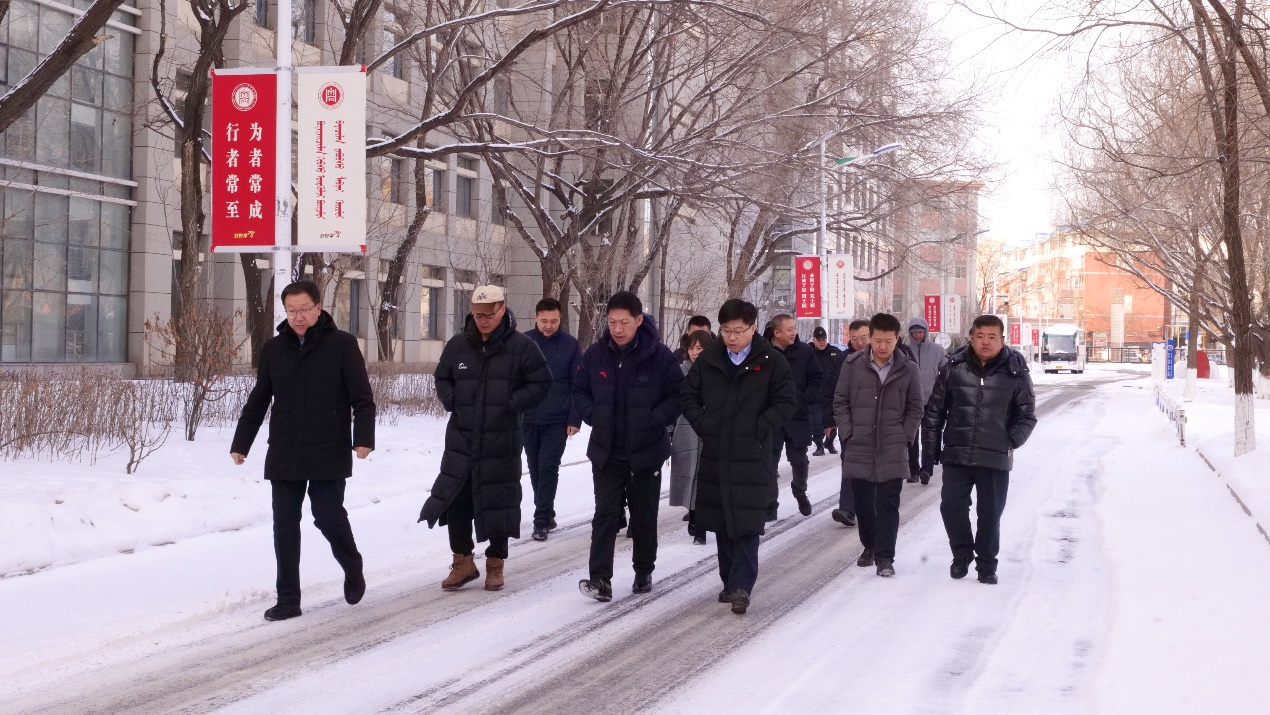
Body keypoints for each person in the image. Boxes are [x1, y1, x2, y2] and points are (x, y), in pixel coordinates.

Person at [231, 280, 376, 622]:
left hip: (328, 446)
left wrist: (363, 438)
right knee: (284, 524)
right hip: (285, 448)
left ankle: (352, 565)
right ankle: (288, 600)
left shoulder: (342, 345)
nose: (297, 317)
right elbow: (259, 399)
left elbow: (362, 398)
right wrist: (241, 443)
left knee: (327, 515)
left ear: (318, 308)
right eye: (291, 311)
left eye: (304, 310)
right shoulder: (274, 349)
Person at [420, 286, 551, 592]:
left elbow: (542, 382)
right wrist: (453, 400)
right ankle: (462, 562)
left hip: (500, 439)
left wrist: (511, 403)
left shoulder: (522, 347)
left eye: (489, 314)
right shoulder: (458, 345)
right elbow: (442, 377)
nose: (483, 320)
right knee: (456, 499)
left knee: (498, 500)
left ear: (502, 309)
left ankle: (495, 563)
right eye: (478, 315)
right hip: (461, 439)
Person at [683, 299, 796, 614]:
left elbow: (786, 402)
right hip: (717, 452)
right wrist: (704, 425)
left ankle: (742, 585)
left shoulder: (771, 361)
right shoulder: (710, 359)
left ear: (753, 328)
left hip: (752, 452)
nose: (731, 337)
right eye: (726, 330)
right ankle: (729, 582)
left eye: (738, 331)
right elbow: (688, 395)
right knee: (722, 522)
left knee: (747, 522)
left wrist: (760, 426)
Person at [574, 291, 684, 602]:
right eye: (612, 322)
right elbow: (579, 390)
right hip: (606, 452)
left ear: (638, 320)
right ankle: (600, 579)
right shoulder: (596, 355)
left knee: (643, 516)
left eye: (624, 322)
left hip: (646, 452)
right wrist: (593, 415)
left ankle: (643, 570)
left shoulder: (659, 357)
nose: (618, 329)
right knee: (605, 515)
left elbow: (677, 396)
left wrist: (654, 420)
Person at [923, 314, 1038, 585]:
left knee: (990, 514)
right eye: (980, 336)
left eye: (992, 337)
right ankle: (961, 555)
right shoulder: (953, 366)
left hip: (994, 457)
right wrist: (930, 453)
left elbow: (1027, 415)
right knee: (951, 508)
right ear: (971, 338)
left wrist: (1009, 440)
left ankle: (986, 565)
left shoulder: (1016, 370)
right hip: (957, 452)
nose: (985, 342)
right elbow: (934, 412)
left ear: (1002, 340)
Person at [832, 313, 924, 578]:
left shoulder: (909, 369)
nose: (883, 347)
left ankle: (885, 557)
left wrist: (905, 436)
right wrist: (847, 433)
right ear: (870, 338)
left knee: (888, 504)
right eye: (878, 341)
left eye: (889, 341)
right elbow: (840, 401)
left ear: (897, 339)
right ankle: (870, 545)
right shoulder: (852, 365)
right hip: (859, 443)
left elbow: (915, 407)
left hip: (893, 444)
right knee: (863, 505)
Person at [523, 297, 583, 541]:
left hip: (558, 417)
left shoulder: (570, 345)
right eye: (544, 321)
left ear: (560, 319)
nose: (549, 325)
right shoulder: (524, 342)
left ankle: (540, 521)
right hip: (528, 416)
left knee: (548, 466)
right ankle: (547, 513)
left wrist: (575, 418)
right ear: (536, 318)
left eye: (554, 321)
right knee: (534, 467)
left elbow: (578, 384)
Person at [763, 314, 822, 518]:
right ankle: (770, 504)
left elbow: (817, 378)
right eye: (789, 330)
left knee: (799, 460)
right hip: (772, 417)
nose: (794, 333)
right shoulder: (764, 353)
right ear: (776, 333)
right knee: (768, 463)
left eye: (794, 328)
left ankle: (800, 492)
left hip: (798, 416)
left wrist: (805, 398)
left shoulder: (805, 351)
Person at [824, 318, 871, 528]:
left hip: (878, 421)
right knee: (850, 461)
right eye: (855, 338)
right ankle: (847, 509)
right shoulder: (844, 360)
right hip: (850, 421)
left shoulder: (884, 358)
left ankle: (871, 506)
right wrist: (829, 420)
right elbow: (832, 390)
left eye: (864, 338)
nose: (860, 342)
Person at [669, 330, 713, 546]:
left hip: (709, 431)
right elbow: (670, 403)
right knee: (690, 477)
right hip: (685, 431)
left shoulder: (716, 371)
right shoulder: (679, 372)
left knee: (705, 477)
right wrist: (669, 430)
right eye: (692, 348)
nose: (695, 352)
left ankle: (700, 523)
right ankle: (694, 515)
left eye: (700, 348)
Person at [905, 317, 946, 485]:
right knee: (911, 437)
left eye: (921, 332)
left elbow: (946, 373)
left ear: (926, 332)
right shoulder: (904, 350)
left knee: (930, 436)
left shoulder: (938, 350)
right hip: (910, 401)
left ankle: (926, 470)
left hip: (931, 400)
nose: (918, 335)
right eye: (914, 332)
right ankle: (913, 470)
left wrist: (942, 393)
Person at [810, 326, 842, 456]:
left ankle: (829, 442)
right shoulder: (809, 353)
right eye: (819, 340)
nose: (822, 342)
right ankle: (819, 446)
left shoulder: (834, 352)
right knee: (817, 422)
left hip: (831, 395)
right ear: (814, 339)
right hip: (816, 395)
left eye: (824, 339)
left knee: (832, 422)